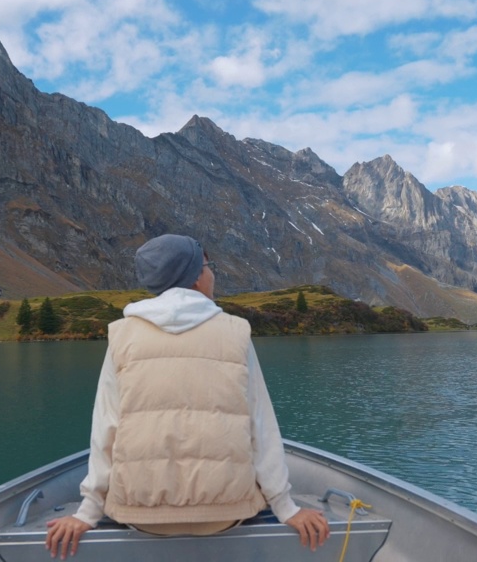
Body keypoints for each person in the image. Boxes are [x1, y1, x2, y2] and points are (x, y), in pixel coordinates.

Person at [45, 234, 330, 558]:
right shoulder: (236, 332)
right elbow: (261, 427)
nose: (213, 275)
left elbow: (105, 430)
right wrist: (286, 507)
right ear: (195, 276)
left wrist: (87, 513)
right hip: (225, 514)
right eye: (208, 267)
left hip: (140, 516)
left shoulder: (122, 335)